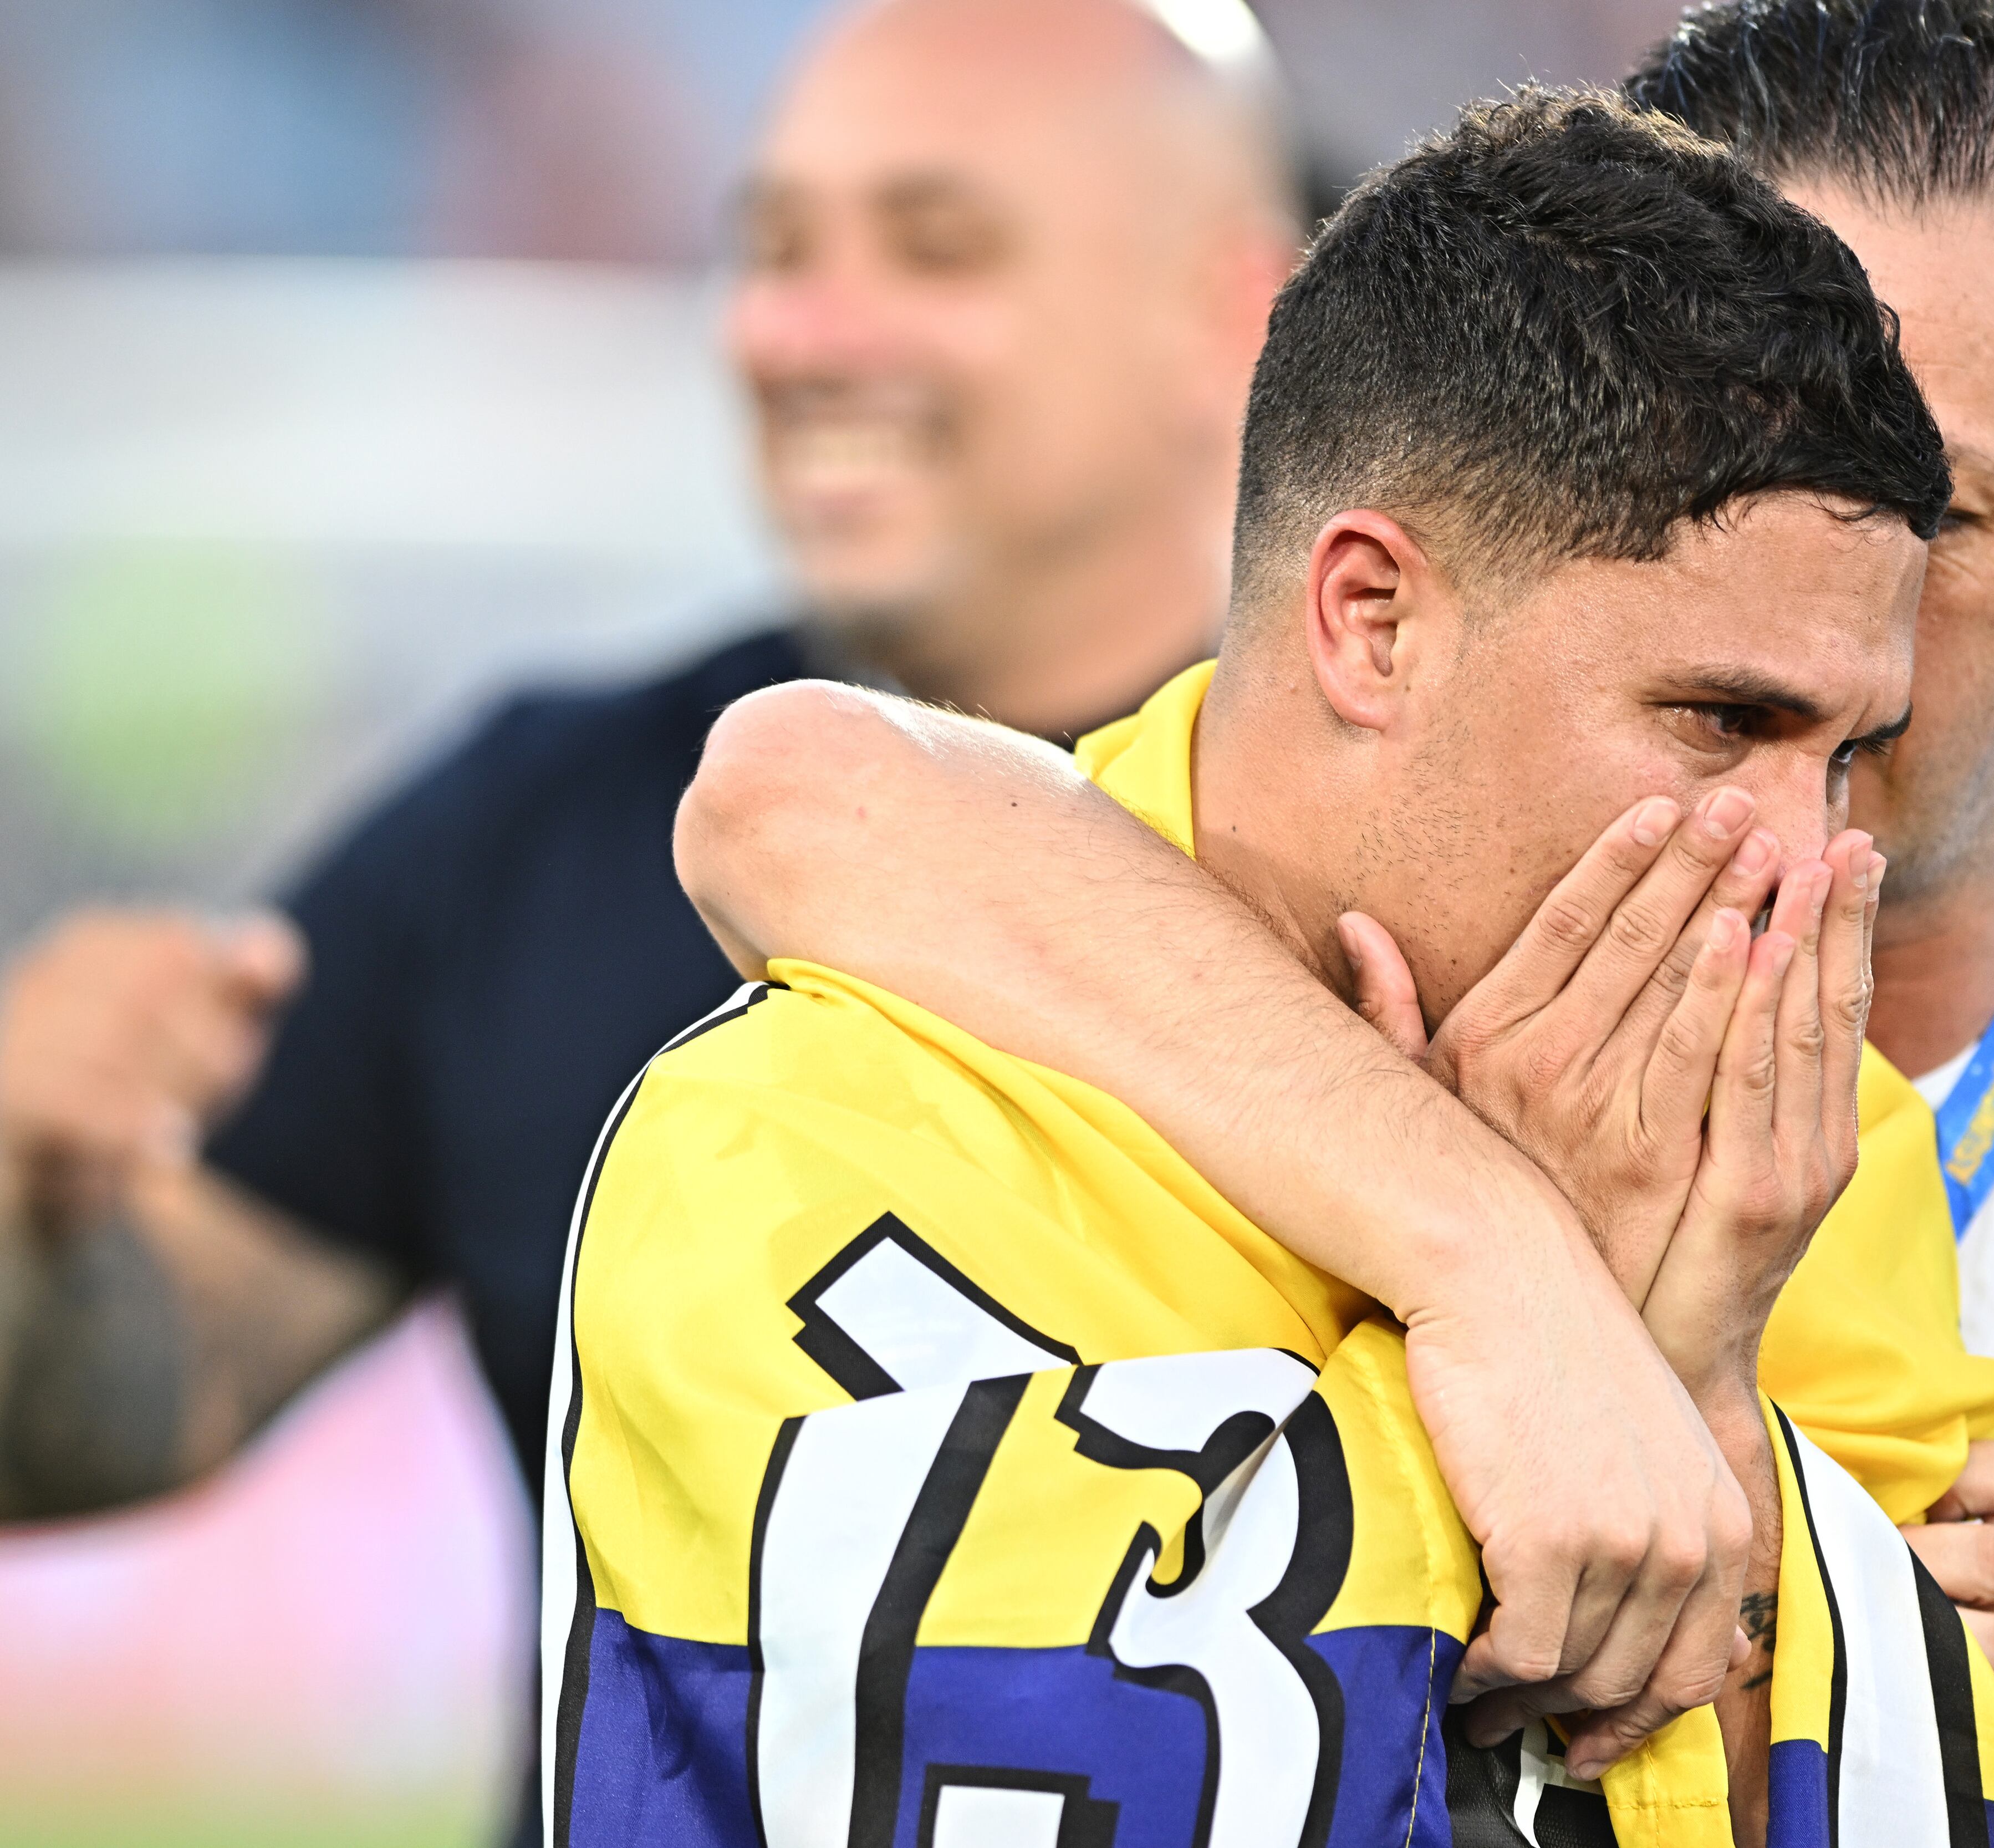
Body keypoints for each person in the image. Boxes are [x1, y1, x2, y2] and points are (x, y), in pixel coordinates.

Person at [675, 3, 1994, 1842]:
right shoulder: (1242, 925)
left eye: (1923, 502)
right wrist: (1497, 1259)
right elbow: (802, 792)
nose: (1800, 552)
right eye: (1706, 432)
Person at [0, 2, 1883, 1835]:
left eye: (937, 246)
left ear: (1238, 309)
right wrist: (26, 1215)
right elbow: (122, 1410)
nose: (801, 332)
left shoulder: (1573, 848)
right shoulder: (538, 824)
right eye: (772, 247)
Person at [565, 88, 1994, 1848]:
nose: (1808, 862)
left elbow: (1966, 1781)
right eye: (1722, 721)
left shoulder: (1798, 1135)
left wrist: (1739, 1525)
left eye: (1847, 753)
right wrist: (1577, 1316)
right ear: (1372, 619)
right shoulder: (804, 1138)